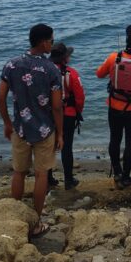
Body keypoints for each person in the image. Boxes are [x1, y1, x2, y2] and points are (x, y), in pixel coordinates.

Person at [0, 23, 63, 238]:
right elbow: (56, 106)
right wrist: (60, 134)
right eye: (51, 40)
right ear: (44, 42)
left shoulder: (12, 65)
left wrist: (7, 123)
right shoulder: (52, 69)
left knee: (19, 171)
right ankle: (35, 222)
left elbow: (0, 98)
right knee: (41, 174)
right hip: (44, 130)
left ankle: (15, 218)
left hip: (20, 129)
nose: (52, 44)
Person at [96, 25, 131, 188]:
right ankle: (126, 176)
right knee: (130, 143)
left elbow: (99, 74)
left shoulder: (113, 57)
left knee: (115, 139)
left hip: (114, 106)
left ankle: (117, 172)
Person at [49, 42, 85, 190]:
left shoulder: (44, 71)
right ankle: (69, 180)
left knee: (48, 147)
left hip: (48, 115)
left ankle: (48, 178)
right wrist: (78, 112)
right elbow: (80, 97)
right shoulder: (71, 74)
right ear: (64, 58)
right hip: (67, 115)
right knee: (66, 147)